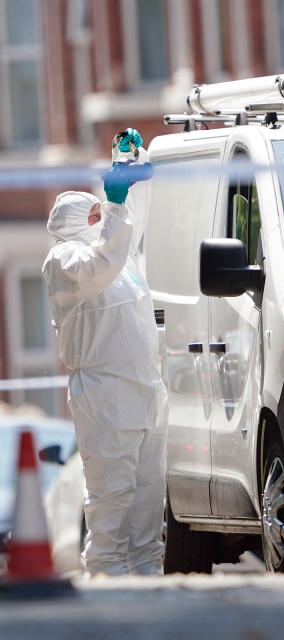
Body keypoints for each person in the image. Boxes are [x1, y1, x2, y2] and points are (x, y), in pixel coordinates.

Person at [42, 128, 167, 576]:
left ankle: (149, 600)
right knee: (111, 509)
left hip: (145, 393)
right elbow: (104, 257)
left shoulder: (119, 256)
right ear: (81, 222)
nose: (107, 213)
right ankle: (108, 601)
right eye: (96, 211)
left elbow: (132, 219)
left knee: (148, 512)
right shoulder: (65, 263)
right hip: (106, 397)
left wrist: (130, 160)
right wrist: (112, 205)